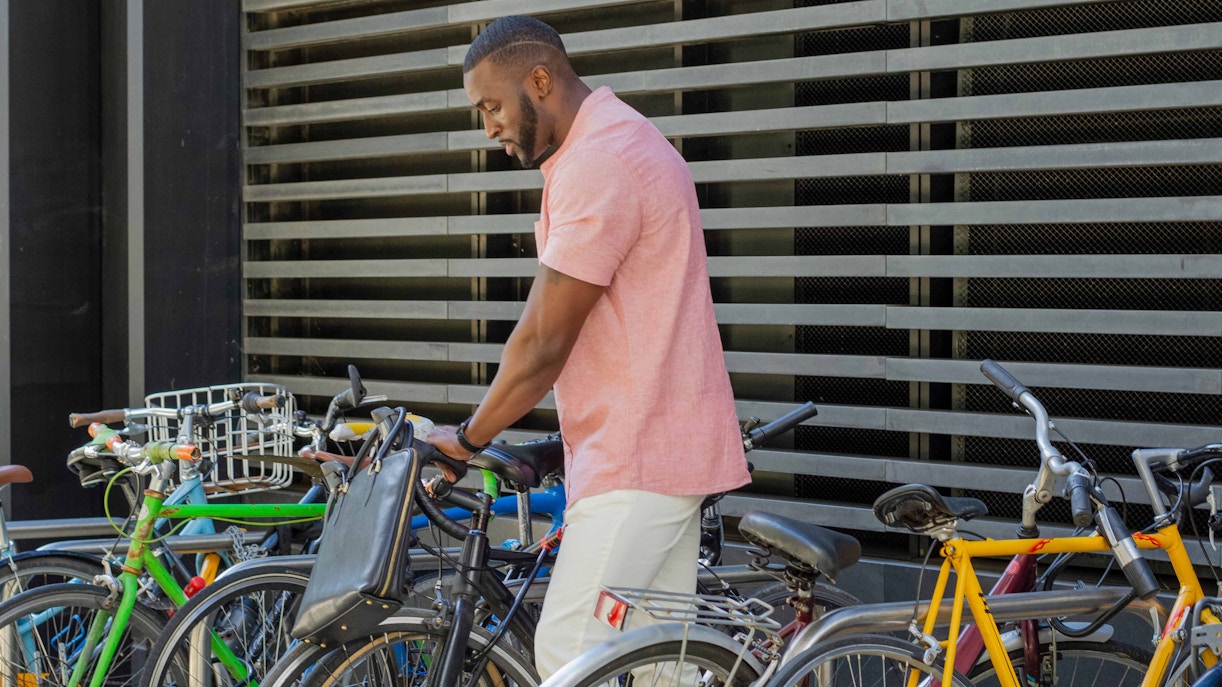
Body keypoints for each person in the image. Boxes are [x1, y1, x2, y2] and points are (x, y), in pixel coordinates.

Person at [426, 14, 751, 678]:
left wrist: (466, 438)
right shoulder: (620, 141)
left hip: (637, 461)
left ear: (539, 80)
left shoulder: (600, 161)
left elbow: (543, 341)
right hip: (657, 454)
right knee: (662, 665)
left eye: (491, 105)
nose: (487, 127)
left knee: (569, 648)